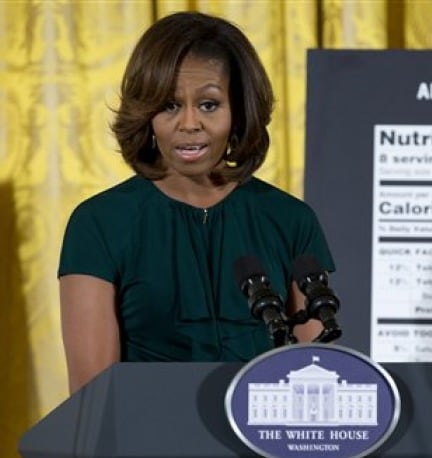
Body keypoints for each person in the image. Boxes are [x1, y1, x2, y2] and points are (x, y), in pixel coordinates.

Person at [58, 11, 335, 394]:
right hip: (145, 429)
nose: (189, 124)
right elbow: (93, 397)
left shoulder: (291, 220)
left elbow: (317, 379)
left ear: (239, 111)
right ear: (145, 113)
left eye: (208, 104)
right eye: (170, 105)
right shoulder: (99, 223)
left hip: (263, 430)